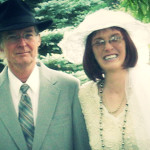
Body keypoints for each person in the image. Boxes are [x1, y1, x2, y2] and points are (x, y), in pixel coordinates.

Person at [0, 0, 91, 150]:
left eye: (28, 35)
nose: (22, 43)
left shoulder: (68, 87)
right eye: (13, 37)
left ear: (38, 40)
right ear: (1, 47)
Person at [59, 9, 150, 150]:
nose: (108, 47)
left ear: (128, 43)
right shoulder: (84, 95)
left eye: (115, 38)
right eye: (99, 42)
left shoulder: (147, 84)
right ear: (91, 52)